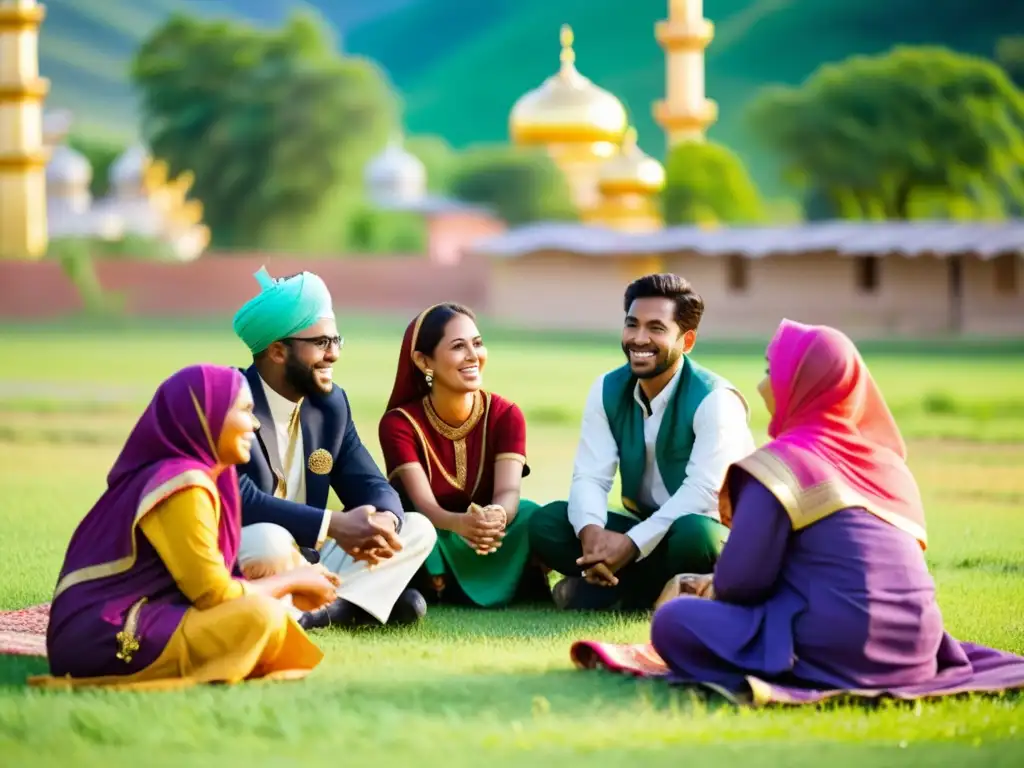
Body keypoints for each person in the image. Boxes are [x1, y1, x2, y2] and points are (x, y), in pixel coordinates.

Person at [572, 319, 1024, 704]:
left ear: (802, 385)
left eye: (772, 371)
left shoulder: (781, 465)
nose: (762, 385)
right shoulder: (889, 465)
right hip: (918, 648)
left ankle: (792, 673)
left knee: (673, 621)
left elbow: (742, 584)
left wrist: (700, 588)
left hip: (834, 648)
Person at [31, 365, 335, 690]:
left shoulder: (209, 477)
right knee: (264, 617)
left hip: (136, 618)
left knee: (268, 614)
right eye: (245, 410)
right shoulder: (183, 483)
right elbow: (214, 593)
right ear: (208, 415)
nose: (256, 423)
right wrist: (293, 580)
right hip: (107, 633)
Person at [529, 274, 755, 611]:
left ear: (687, 341)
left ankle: (617, 594)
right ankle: (641, 591)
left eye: (656, 328)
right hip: (645, 531)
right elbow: (591, 476)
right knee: (548, 523)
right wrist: (592, 535)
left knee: (694, 536)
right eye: (632, 324)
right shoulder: (607, 389)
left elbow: (701, 495)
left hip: (709, 532)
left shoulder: (715, 400)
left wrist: (631, 544)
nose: (639, 338)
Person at [231, 267, 436, 629]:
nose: (333, 355)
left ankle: (322, 611)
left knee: (416, 528)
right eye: (321, 343)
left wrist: (383, 521)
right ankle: (358, 605)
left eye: (336, 341)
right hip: (248, 553)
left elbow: (370, 482)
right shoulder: (230, 400)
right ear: (278, 351)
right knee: (269, 540)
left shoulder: (330, 405)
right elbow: (240, 500)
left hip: (311, 556)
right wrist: (333, 524)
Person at [378, 303, 550, 608]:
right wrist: (460, 524)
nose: (473, 356)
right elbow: (425, 505)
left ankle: (463, 584)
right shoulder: (399, 423)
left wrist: (496, 516)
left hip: (493, 532)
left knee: (534, 515)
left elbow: (508, 494)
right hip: (437, 530)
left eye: (478, 343)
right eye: (458, 346)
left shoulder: (506, 414)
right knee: (412, 524)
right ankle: (445, 582)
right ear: (423, 360)